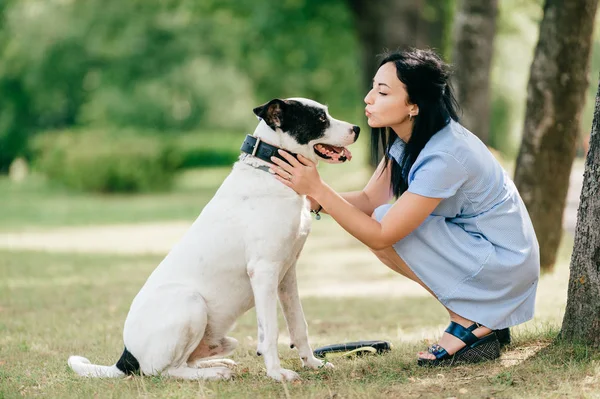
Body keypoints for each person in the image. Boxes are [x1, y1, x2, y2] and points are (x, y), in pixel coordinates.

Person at [269, 48, 540, 366]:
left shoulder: (445, 154)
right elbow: (370, 201)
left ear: (414, 105)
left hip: (505, 264)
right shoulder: (411, 139)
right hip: (488, 254)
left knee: (385, 226)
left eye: (382, 92)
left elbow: (382, 233)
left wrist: (318, 188)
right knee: (381, 217)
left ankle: (472, 321)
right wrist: (309, 197)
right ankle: (480, 316)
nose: (369, 98)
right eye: (373, 87)